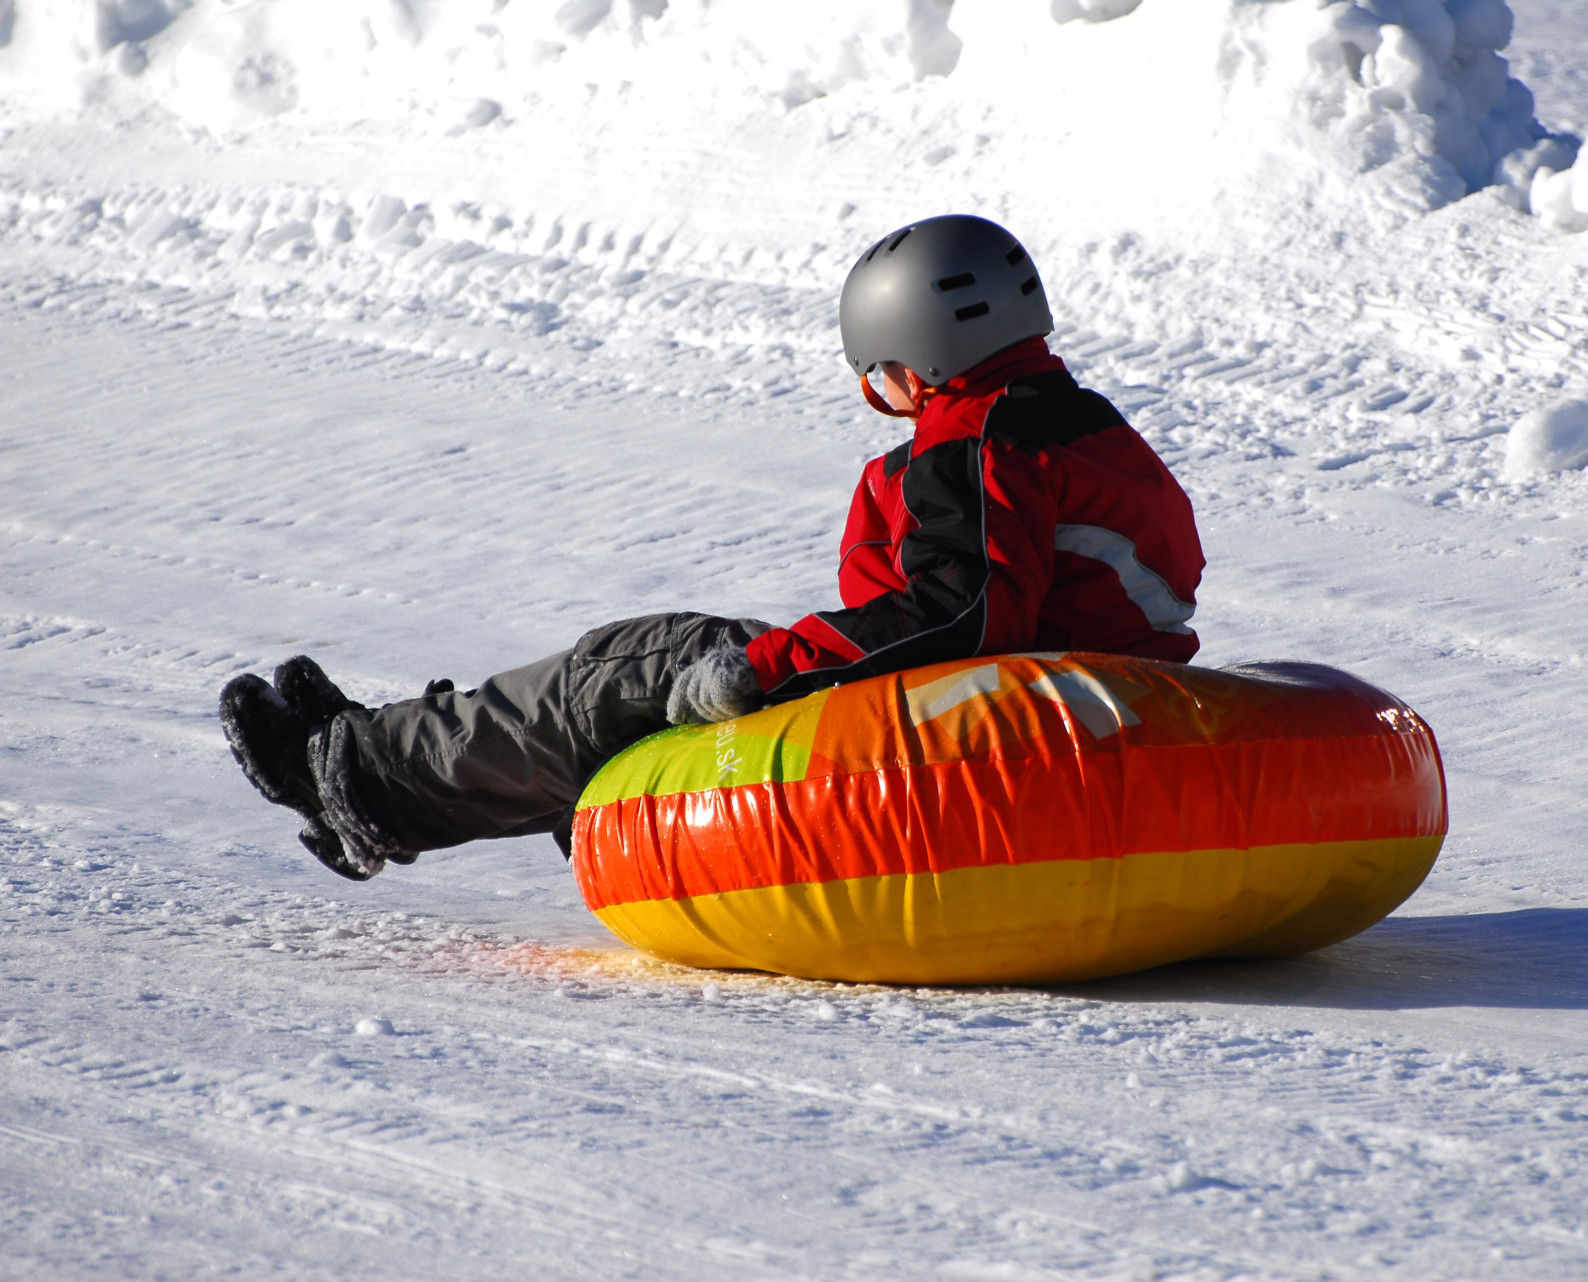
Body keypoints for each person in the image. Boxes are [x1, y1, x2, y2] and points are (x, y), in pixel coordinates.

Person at [220, 214, 1206, 881]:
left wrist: (759, 667)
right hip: (1066, 709)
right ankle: (390, 752)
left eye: (879, 376)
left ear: (915, 357)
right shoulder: (1085, 428)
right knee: (650, 678)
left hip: (976, 735)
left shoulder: (975, 444)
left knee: (628, 668)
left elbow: (958, 617)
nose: (881, 398)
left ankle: (355, 776)